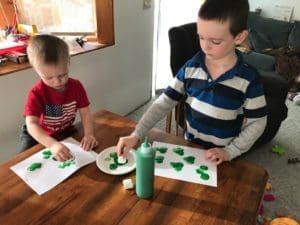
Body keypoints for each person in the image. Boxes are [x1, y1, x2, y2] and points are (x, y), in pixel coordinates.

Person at [117, 0, 267, 165]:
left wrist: (230, 151)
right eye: (201, 37)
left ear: (239, 37)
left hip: (223, 155)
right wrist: (136, 134)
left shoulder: (249, 79)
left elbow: (258, 121)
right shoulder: (191, 67)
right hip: (191, 145)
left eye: (215, 41)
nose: (205, 46)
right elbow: (164, 102)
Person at [21, 34, 98, 161]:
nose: (57, 82)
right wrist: (51, 144)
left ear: (68, 63)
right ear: (37, 71)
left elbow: (85, 114)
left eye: (62, 75)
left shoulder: (76, 86)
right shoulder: (36, 93)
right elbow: (32, 124)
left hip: (63, 131)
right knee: (23, 163)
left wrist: (89, 134)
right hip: (37, 135)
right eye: (49, 78)